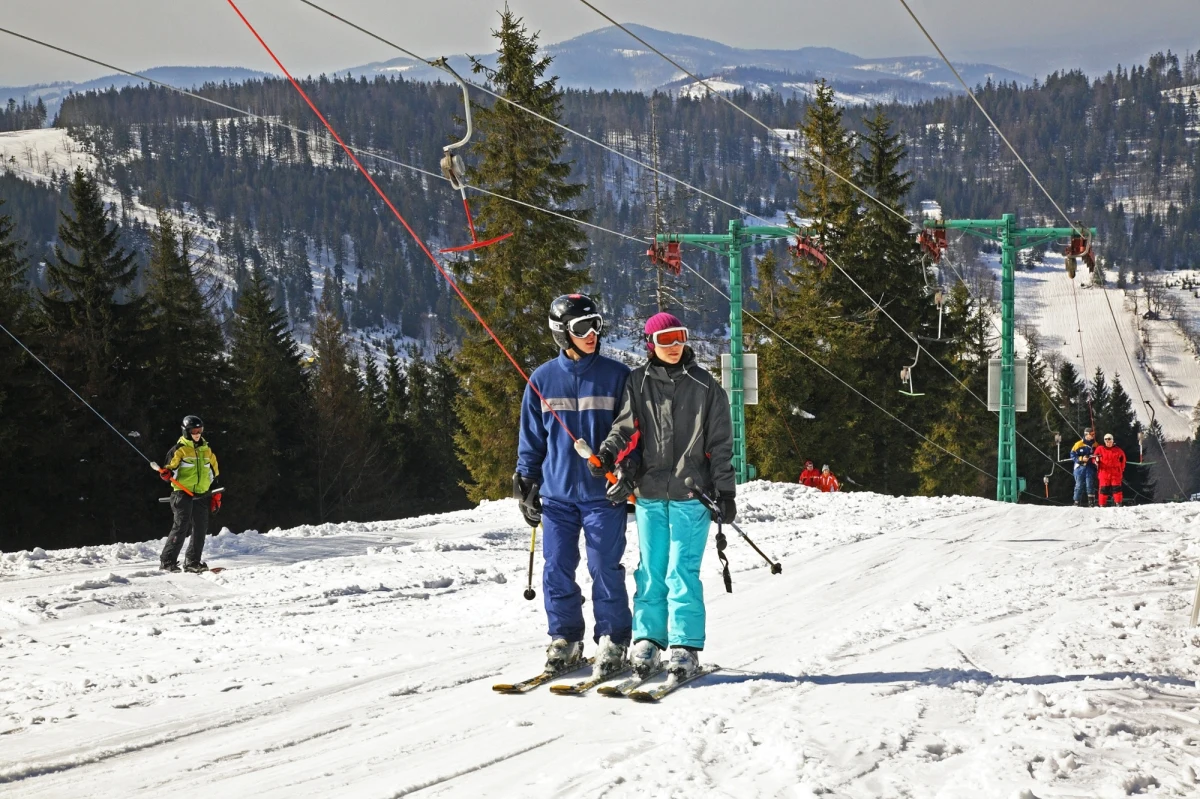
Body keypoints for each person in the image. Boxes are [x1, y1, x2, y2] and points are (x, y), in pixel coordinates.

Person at [598, 311, 735, 682]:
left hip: (693, 494)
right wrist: (611, 455)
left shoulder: (706, 386)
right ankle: (648, 639)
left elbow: (721, 444)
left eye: (679, 338)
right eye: (665, 341)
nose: (674, 347)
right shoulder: (638, 382)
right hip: (651, 493)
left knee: (681, 572)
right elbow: (625, 428)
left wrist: (725, 491)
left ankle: (684, 646)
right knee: (651, 570)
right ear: (650, 345)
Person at [514, 294, 633, 677]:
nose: (592, 334)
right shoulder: (542, 379)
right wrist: (526, 483)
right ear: (562, 334)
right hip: (558, 496)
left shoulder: (617, 377)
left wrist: (626, 471)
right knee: (557, 568)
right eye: (583, 327)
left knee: (604, 567)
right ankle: (565, 638)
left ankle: (613, 639)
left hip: (604, 496)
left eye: (597, 324)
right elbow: (531, 440)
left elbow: (633, 433)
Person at [158, 415, 221, 573]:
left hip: (201, 494)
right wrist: (166, 473)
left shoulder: (207, 451)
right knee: (181, 525)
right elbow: (170, 468)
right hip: (182, 493)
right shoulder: (179, 450)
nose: (197, 434)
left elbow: (214, 474)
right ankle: (167, 561)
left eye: (199, 430)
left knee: (200, 527)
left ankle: (192, 562)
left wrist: (215, 495)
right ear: (186, 431)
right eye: (194, 431)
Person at [1094, 432, 1127, 507]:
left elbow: (1123, 461)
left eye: (1109, 441)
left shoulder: (1118, 450)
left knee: (1117, 489)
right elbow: (1094, 458)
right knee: (1103, 489)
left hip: (1115, 473)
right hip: (1104, 472)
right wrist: (1096, 461)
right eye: (1106, 441)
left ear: (1112, 441)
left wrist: (1120, 470)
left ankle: (1118, 503)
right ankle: (1102, 504)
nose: (1108, 442)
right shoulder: (1100, 449)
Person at [1070, 427, 1098, 507]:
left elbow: (1098, 453)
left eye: (1093, 434)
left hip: (1090, 467)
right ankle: (1076, 502)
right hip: (1080, 467)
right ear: (1086, 434)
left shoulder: (1095, 444)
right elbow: (1072, 454)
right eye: (1091, 434)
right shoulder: (1078, 444)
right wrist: (1081, 459)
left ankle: (1091, 502)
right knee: (1079, 485)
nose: (1093, 435)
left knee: (1090, 484)